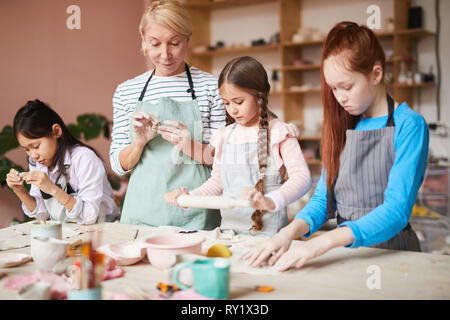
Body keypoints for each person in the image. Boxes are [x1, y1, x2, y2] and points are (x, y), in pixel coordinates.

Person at [243, 21, 429, 270]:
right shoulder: (344, 125)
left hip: (394, 256)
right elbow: (322, 200)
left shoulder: (410, 125)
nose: (340, 98)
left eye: (347, 87)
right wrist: (287, 234)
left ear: (376, 74)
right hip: (350, 254)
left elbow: (396, 211)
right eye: (333, 88)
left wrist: (324, 242)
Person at [110, 0, 226, 229]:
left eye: (174, 43)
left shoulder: (211, 87)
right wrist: (139, 143)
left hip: (196, 208)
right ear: (143, 39)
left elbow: (224, 160)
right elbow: (117, 165)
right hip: (142, 211)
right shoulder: (126, 91)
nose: (165, 54)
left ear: (188, 39)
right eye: (155, 44)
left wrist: (189, 145)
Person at [165, 56, 312, 236]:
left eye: (239, 102)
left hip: (271, 237)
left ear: (260, 95)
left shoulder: (279, 132)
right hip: (230, 235)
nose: (232, 110)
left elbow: (302, 178)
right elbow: (217, 183)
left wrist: (272, 200)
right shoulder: (225, 135)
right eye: (226, 103)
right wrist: (188, 198)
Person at [6, 99, 119, 224]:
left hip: (102, 229)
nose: (33, 155)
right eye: (27, 149)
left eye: (36, 146)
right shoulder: (37, 163)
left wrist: (52, 189)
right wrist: (20, 191)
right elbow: (42, 214)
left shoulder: (84, 158)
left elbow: (89, 216)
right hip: (69, 230)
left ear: (56, 131)